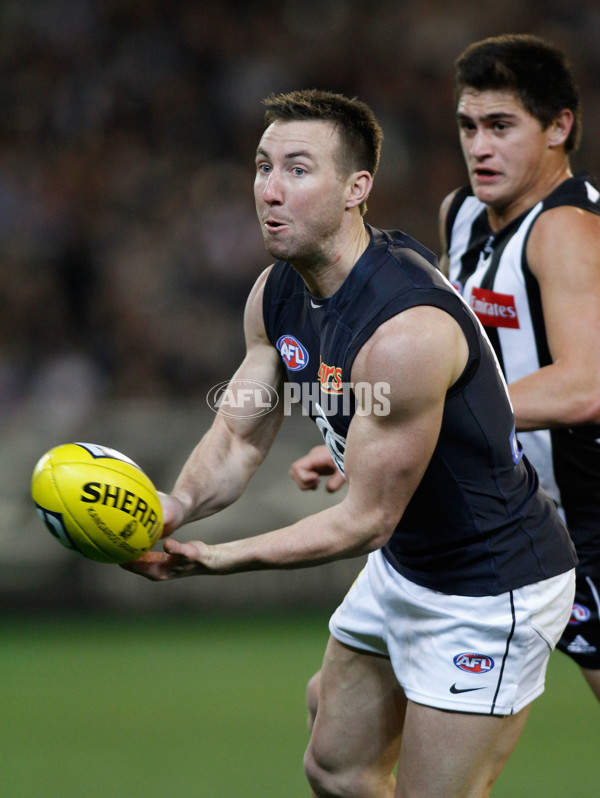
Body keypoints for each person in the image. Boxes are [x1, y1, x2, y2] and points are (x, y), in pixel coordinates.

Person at [123, 88, 577, 798]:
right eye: (262, 166)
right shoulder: (277, 293)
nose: (269, 191)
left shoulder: (404, 332)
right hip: (409, 567)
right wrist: (176, 505)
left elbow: (368, 518)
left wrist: (217, 557)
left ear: (356, 188)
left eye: (298, 171)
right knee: (334, 768)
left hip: (491, 586)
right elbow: (239, 433)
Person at [292, 35, 600, 723]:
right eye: (468, 126)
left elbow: (586, 387)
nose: (479, 146)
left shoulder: (566, 230)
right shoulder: (461, 215)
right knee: (333, 719)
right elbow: (445, 353)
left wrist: (419, 420)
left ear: (560, 128)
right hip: (506, 507)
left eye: (501, 126)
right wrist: (381, 434)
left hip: (588, 514)